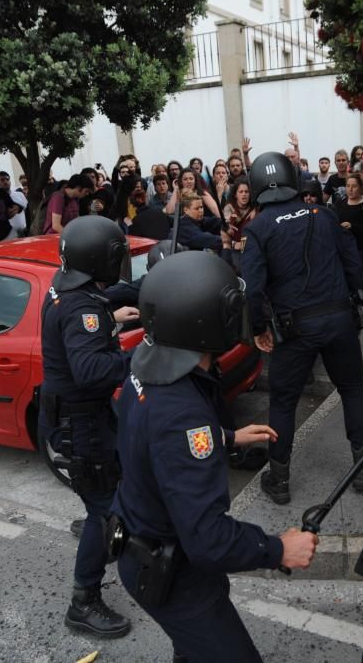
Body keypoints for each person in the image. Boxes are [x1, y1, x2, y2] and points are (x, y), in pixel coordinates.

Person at [112, 250, 318, 661]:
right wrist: (278, 548)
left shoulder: (149, 366)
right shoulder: (182, 412)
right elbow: (209, 540)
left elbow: (157, 440)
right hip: (172, 571)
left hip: (149, 546)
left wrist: (222, 437)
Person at [241, 152, 363, 505]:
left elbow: (252, 288)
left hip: (295, 328)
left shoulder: (258, 229)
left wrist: (258, 328)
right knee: (352, 389)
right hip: (339, 319)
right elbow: (352, 262)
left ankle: (280, 479)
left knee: (283, 401)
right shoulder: (325, 215)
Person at [39, 216, 138, 638]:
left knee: (108, 492)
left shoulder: (66, 289)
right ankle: (83, 601)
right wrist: (142, 357)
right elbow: (92, 370)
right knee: (106, 514)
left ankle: (96, 517)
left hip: (79, 416)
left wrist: (121, 306)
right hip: (80, 423)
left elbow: (95, 304)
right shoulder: (82, 308)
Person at [334, 173, 363, 273]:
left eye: (354, 186)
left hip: (359, 248)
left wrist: (351, 226)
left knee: (357, 277)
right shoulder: (340, 202)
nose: (350, 189)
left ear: (361, 187)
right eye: (348, 186)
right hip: (343, 246)